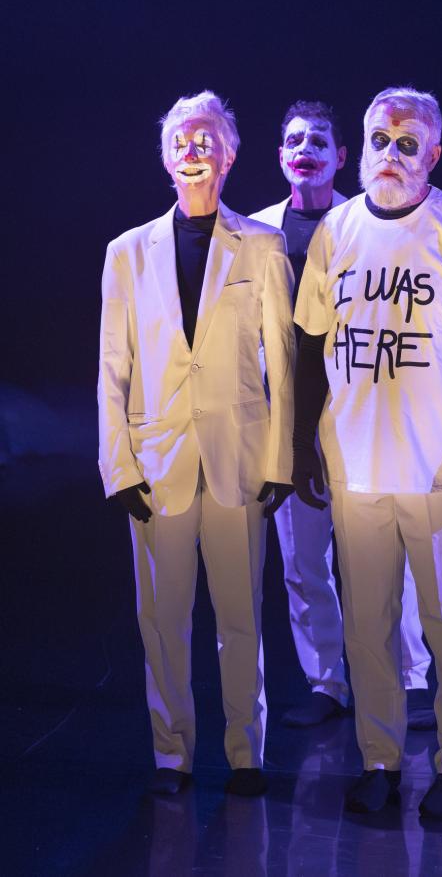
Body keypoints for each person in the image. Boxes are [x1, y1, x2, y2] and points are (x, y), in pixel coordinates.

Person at [293, 86, 442, 817]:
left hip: (439, 468)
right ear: (362, 147)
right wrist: (302, 443)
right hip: (355, 464)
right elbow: (309, 346)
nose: (390, 154)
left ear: (433, 154)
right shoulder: (336, 230)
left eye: (407, 143)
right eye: (379, 140)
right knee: (367, 623)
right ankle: (379, 758)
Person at [98, 91, 295, 797]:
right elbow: (113, 366)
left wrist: (280, 460)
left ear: (230, 155)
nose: (193, 149)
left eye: (206, 138)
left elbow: (282, 362)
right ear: (165, 157)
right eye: (180, 140)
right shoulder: (127, 253)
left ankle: (246, 754)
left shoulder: (262, 245)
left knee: (241, 618)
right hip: (157, 465)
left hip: (238, 461)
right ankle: (171, 756)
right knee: (162, 622)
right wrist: (117, 465)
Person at [251, 101, 433, 728]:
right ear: (281, 155)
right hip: (286, 419)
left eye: (319, 141)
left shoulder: (370, 222)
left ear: (341, 157)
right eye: (294, 140)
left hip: (364, 415)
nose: (305, 149)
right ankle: (326, 683)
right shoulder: (255, 232)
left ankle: (409, 679)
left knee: (387, 557)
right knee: (304, 561)